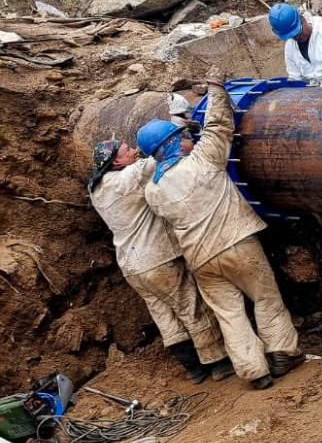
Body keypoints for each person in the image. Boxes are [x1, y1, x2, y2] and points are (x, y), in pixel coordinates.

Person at [138, 81, 305, 390]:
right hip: (237, 243)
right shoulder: (202, 161)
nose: (189, 137)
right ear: (173, 143)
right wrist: (216, 88)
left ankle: (255, 372)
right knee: (265, 297)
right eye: (183, 135)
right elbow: (218, 125)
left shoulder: (152, 191)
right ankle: (282, 351)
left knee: (229, 315)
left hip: (201, 261)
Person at [88, 139, 233, 384]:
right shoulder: (128, 177)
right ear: (116, 161)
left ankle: (195, 370)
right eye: (127, 150)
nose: (134, 150)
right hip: (156, 259)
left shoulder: (96, 189)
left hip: (131, 266)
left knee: (165, 317)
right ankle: (218, 363)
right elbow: (160, 154)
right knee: (191, 306)